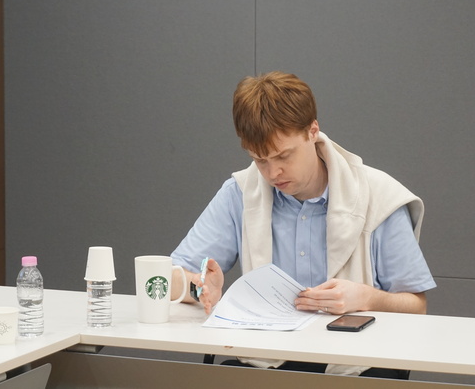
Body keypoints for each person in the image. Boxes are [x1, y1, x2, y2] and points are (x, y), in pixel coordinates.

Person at [170, 71, 436, 377]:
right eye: (260, 160)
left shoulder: (378, 195)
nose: (273, 173)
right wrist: (199, 286)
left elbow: (417, 306)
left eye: (284, 155)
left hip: (358, 367)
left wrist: (366, 298)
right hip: (267, 364)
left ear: (313, 131)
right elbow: (169, 277)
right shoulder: (240, 194)